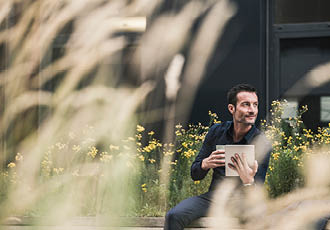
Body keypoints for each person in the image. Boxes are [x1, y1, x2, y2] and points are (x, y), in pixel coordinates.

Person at [164, 83, 271, 230]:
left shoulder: (262, 142)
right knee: (174, 216)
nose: (252, 110)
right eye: (246, 105)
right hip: (214, 198)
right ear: (231, 109)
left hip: (245, 202)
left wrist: (248, 181)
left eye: (255, 105)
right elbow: (195, 174)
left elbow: (257, 191)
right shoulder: (216, 132)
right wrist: (205, 164)